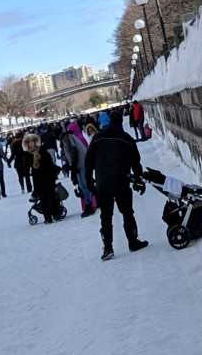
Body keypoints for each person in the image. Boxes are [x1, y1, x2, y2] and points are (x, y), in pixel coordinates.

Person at [84, 109, 149, 262]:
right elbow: (136, 162)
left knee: (106, 217)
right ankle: (133, 241)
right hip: (122, 181)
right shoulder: (126, 138)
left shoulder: (97, 138)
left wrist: (90, 182)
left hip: (102, 184)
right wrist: (138, 179)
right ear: (120, 122)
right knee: (127, 213)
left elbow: (88, 163)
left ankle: (108, 248)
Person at [63, 120, 96, 216]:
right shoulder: (75, 136)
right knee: (86, 184)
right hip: (83, 163)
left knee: (84, 185)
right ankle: (91, 203)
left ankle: (89, 205)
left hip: (80, 164)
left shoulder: (67, 138)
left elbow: (73, 151)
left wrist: (73, 166)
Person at [31, 143, 60, 222]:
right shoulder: (45, 153)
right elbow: (51, 165)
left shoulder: (33, 157)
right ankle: (55, 214)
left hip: (40, 182)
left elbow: (34, 175)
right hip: (49, 179)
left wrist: (35, 189)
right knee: (52, 197)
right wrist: (57, 170)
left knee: (44, 200)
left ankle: (47, 218)